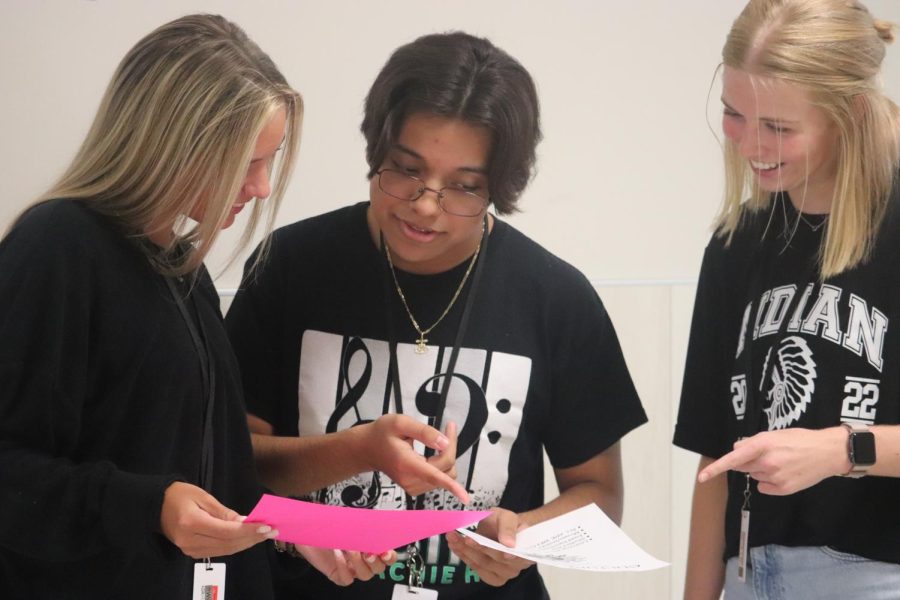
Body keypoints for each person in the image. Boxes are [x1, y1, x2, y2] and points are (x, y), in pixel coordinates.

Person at [226, 31, 647, 599]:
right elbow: (234, 459)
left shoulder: (556, 298)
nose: (426, 205)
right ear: (377, 149)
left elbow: (599, 493)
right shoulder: (290, 267)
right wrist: (353, 452)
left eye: (464, 187)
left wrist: (524, 536)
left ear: (500, 187)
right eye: (405, 170)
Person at [0, 14, 396, 599]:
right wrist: (151, 507)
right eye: (246, 161)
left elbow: (215, 471)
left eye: (271, 159)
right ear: (171, 142)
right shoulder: (57, 248)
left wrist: (299, 530)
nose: (262, 187)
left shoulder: (183, 269)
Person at [674, 1, 900, 598]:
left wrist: (843, 449)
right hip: (748, 574)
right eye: (732, 114)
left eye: (777, 127)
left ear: (848, 115)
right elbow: (713, 463)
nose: (750, 145)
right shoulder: (736, 244)